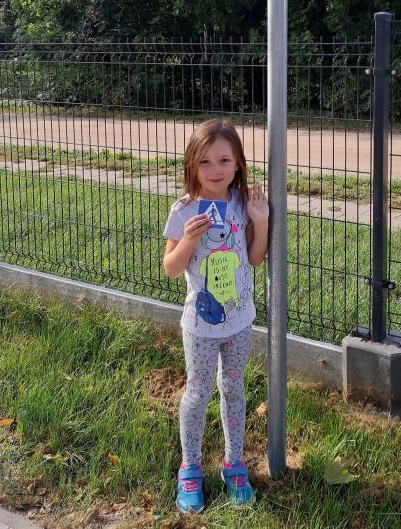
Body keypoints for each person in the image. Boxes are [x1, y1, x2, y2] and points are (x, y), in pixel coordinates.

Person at [163, 118, 269, 513]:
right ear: (192, 165)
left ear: (238, 163)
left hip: (239, 322)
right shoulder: (183, 210)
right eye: (204, 162)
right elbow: (171, 268)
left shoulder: (242, 205)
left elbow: (255, 258)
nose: (215, 170)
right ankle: (190, 469)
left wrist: (261, 220)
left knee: (234, 388)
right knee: (198, 393)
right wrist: (189, 240)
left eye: (224, 160)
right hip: (201, 326)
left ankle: (233, 464)